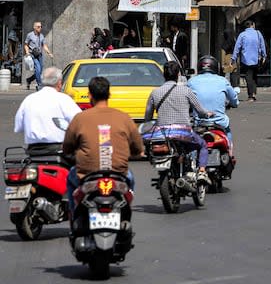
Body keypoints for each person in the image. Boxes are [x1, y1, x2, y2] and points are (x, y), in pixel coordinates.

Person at [63, 77, 144, 213]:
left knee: (70, 180)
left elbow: (67, 147)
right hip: (119, 174)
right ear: (109, 94)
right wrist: (136, 153)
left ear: (90, 95)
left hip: (86, 174)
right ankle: (125, 211)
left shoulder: (80, 118)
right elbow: (137, 147)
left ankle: (73, 214)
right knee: (130, 180)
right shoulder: (123, 117)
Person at [144, 61, 213, 182]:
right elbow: (200, 111)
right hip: (183, 133)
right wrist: (208, 113)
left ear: (164, 75)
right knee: (202, 145)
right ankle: (202, 171)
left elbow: (148, 117)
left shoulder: (155, 93)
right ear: (178, 75)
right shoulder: (186, 91)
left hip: (162, 134)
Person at [14, 67, 81, 156]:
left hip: (33, 151)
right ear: (59, 83)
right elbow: (80, 122)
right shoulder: (64, 99)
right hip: (59, 150)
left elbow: (18, 127)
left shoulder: (29, 99)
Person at [188, 55, 239, 144]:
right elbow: (234, 101)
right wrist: (234, 102)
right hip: (219, 123)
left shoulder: (191, 81)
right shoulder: (223, 81)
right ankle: (230, 153)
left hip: (199, 123)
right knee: (227, 133)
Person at [232, 20, 267, 101]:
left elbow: (237, 47)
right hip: (256, 59)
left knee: (248, 76)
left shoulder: (242, 35)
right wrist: (264, 55)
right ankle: (254, 93)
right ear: (252, 25)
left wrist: (233, 58)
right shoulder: (258, 33)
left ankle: (251, 95)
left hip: (246, 60)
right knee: (254, 76)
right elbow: (262, 45)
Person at [24, 20, 53, 90]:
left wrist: (49, 53)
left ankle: (29, 80)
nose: (40, 28)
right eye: (38, 27)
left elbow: (44, 46)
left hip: (39, 55)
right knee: (38, 69)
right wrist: (27, 52)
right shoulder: (30, 35)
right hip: (32, 55)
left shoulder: (42, 36)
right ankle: (39, 85)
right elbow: (26, 45)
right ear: (34, 27)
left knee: (39, 71)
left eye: (41, 27)